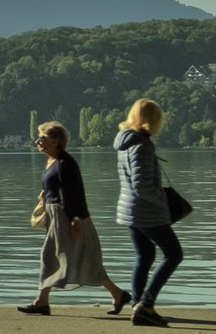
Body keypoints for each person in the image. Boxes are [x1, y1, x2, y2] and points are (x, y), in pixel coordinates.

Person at [18, 122, 133, 316]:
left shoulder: (65, 162)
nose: (38, 142)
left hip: (68, 216)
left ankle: (41, 302)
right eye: (39, 138)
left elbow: (75, 193)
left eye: (43, 138)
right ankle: (117, 294)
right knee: (56, 257)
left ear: (56, 141)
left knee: (77, 258)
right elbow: (57, 187)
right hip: (56, 216)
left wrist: (75, 219)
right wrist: (46, 193)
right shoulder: (52, 161)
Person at [113, 98, 181, 327]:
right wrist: (163, 199)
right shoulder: (141, 145)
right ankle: (146, 304)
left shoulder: (125, 143)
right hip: (146, 212)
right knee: (174, 254)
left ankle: (138, 305)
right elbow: (142, 186)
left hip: (131, 210)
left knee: (145, 256)